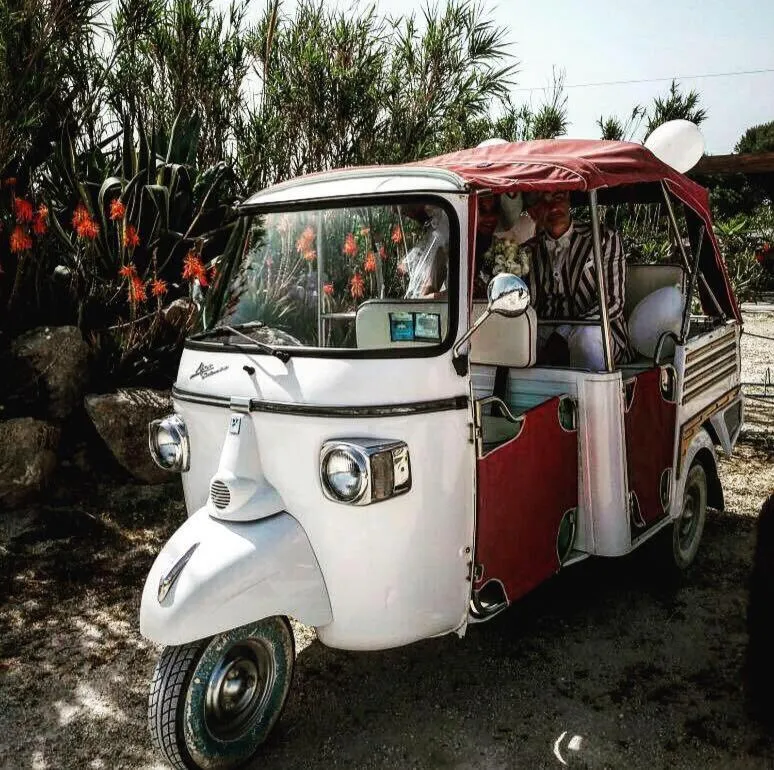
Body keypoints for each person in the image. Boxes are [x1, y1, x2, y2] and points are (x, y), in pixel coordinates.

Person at [522, 190, 632, 369]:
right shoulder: (526, 251)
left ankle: (593, 386)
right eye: (543, 201)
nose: (553, 207)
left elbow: (613, 301)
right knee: (517, 338)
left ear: (568, 199)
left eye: (558, 197)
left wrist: (563, 333)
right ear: (534, 211)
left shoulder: (604, 238)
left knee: (586, 336)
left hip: (598, 331)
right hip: (544, 332)